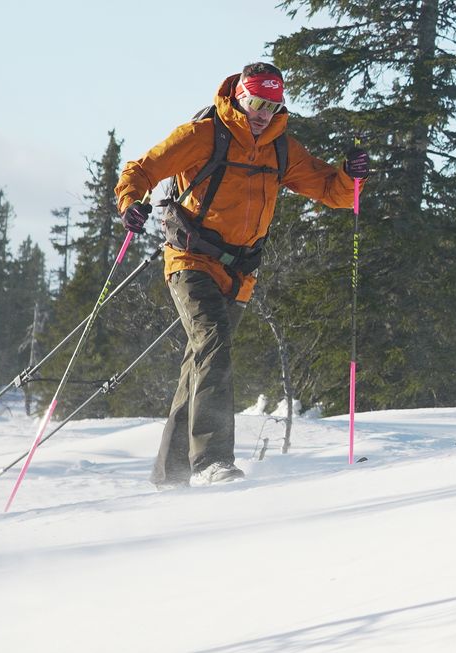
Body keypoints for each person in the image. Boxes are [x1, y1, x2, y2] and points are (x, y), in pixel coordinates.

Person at [115, 62, 369, 489]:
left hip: (240, 273)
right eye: (255, 103)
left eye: (271, 106)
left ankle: (170, 475)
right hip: (190, 260)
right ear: (238, 97)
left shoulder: (280, 148)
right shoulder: (202, 135)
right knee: (213, 340)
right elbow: (142, 169)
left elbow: (332, 191)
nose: (262, 114)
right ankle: (212, 461)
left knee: (201, 361)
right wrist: (130, 202)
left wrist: (350, 175)